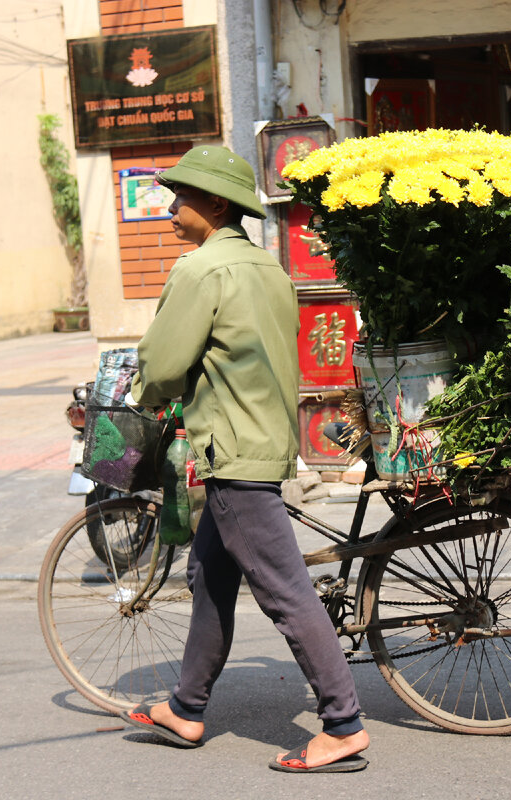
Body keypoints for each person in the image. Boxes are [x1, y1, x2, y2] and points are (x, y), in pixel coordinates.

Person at [123, 145, 370, 773]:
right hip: (260, 440)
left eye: (182, 198)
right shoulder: (267, 269)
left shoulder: (201, 269)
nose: (172, 210)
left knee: (285, 590)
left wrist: (143, 395)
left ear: (213, 205)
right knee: (211, 575)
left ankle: (341, 723)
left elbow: (163, 363)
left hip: (229, 450)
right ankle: (186, 706)